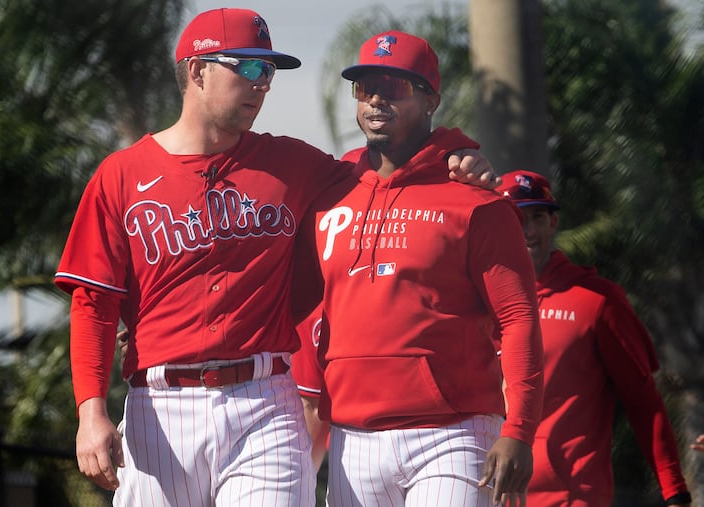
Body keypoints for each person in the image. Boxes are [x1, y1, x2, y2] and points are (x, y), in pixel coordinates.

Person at [54, 8, 499, 506]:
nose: (262, 84)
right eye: (247, 68)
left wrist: (455, 155)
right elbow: (93, 302)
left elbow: (387, 171)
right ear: (198, 70)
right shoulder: (121, 175)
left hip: (264, 399)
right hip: (160, 405)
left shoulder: (294, 164)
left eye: (268, 72)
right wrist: (91, 411)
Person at [290, 30, 545, 507]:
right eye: (365, 88)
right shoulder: (329, 191)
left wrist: (520, 430)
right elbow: (284, 296)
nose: (377, 100)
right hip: (351, 437)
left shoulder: (475, 201)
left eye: (396, 86)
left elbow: (519, 319)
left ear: (431, 100)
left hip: (452, 435)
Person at [495, 170, 692, 506]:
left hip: (572, 498)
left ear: (553, 223)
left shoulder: (596, 300)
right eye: (515, 218)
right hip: (487, 496)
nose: (527, 230)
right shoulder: (476, 302)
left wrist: (675, 491)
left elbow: (643, 401)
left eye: (537, 217)